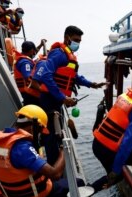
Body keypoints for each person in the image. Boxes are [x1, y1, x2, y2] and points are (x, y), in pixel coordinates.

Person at [0, 104, 85, 197]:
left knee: (25, 182)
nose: (40, 135)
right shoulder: (22, 148)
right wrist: (63, 150)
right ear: (34, 127)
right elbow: (55, 174)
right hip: (32, 195)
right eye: (40, 130)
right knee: (78, 183)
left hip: (11, 195)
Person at [33, 25, 107, 165]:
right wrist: (63, 97)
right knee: (50, 134)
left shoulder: (69, 56)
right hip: (49, 100)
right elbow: (47, 76)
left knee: (55, 131)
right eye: (75, 40)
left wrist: (91, 84)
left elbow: (74, 76)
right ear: (67, 38)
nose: (77, 43)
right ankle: (53, 168)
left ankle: (54, 160)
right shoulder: (58, 54)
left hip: (57, 101)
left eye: (79, 41)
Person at [13, 39, 46, 106]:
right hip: (28, 94)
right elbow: (28, 77)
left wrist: (41, 45)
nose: (34, 54)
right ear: (31, 51)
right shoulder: (25, 63)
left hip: (26, 92)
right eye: (34, 52)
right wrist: (41, 88)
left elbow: (33, 53)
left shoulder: (21, 57)